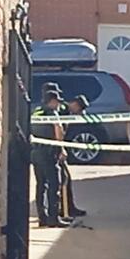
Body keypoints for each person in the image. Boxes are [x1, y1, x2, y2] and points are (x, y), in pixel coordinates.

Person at [30, 89, 69, 228]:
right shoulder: (52, 113)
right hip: (49, 153)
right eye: (57, 102)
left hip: (35, 152)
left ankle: (42, 217)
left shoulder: (36, 111)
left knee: (41, 185)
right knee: (54, 184)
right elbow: (58, 130)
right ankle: (53, 218)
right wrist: (61, 148)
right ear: (52, 101)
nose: (59, 105)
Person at [58, 94, 89, 219]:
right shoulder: (62, 111)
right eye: (80, 109)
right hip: (55, 150)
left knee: (65, 179)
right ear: (75, 104)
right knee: (62, 179)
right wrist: (61, 149)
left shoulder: (68, 113)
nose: (80, 113)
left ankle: (68, 208)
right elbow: (58, 131)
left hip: (59, 149)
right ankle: (63, 209)